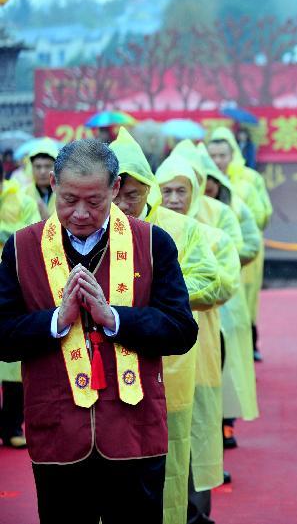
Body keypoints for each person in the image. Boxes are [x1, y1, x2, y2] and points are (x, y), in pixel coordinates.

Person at [0, 139, 198, 524]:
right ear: (54, 184)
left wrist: (115, 319)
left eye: (94, 201)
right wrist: (57, 320)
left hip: (133, 431)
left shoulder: (152, 243)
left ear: (115, 189)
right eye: (69, 198)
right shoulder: (23, 249)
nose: (79, 214)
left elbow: (180, 331)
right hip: (58, 430)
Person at [110, 129, 223, 524]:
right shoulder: (87, 232)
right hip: (104, 368)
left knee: (170, 457)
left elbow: (211, 282)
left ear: (148, 191)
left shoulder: (178, 230)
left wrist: (158, 298)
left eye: (134, 195)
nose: (123, 205)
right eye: (117, 193)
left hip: (167, 366)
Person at [157, 155, 239, 524]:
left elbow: (222, 284)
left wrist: (162, 292)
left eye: (182, 191)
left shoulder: (213, 236)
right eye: (167, 191)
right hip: (155, 353)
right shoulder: (144, 234)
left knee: (198, 436)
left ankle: (197, 516)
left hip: (201, 348)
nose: (174, 199)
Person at [207, 127, 272, 361]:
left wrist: (235, 224)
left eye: (222, 155)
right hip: (213, 254)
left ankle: (250, 345)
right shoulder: (202, 181)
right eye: (212, 155)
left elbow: (262, 214)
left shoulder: (248, 180)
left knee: (246, 299)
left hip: (243, 250)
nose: (218, 160)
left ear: (232, 154)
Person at [0, 168, 41, 449]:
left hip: (10, 284)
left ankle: (12, 424)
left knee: (13, 364)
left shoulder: (21, 199)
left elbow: (34, 235)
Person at [24, 138, 60, 220]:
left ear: (56, 167)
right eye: (38, 167)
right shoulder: (23, 194)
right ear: (31, 168)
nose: (42, 171)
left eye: (47, 166)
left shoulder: (66, 194)